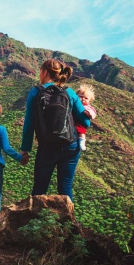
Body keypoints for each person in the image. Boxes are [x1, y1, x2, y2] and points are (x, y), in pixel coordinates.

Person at [20, 59, 90, 201]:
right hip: (70, 144)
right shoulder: (69, 92)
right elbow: (86, 122)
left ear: (45, 72)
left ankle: (35, 221)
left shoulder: (35, 92)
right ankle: (68, 222)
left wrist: (25, 149)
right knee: (65, 186)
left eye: (40, 71)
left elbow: (29, 122)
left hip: (47, 147)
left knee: (40, 188)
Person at [75, 84, 97, 151]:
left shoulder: (88, 107)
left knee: (81, 132)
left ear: (89, 100)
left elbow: (93, 112)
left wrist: (89, 114)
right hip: (72, 122)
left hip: (80, 123)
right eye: (81, 97)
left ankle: (82, 142)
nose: (83, 99)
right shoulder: (74, 104)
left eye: (86, 98)